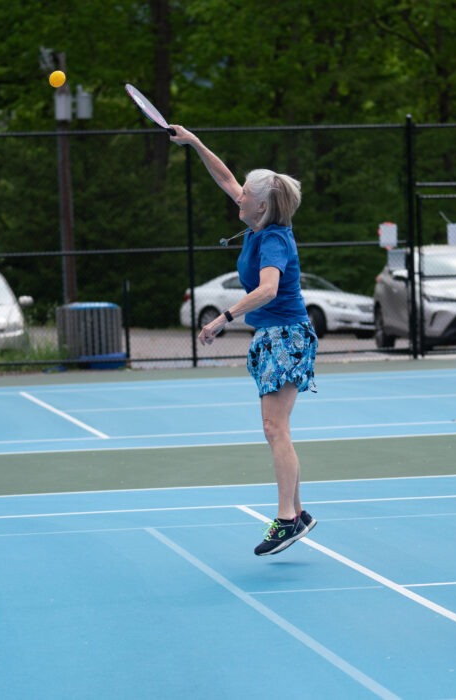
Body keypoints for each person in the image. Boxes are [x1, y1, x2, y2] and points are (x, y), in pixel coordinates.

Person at [169, 124, 318, 556]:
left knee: (275, 428)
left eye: (246, 195)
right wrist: (195, 143)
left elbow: (269, 289)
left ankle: (287, 519)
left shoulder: (273, 238)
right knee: (277, 429)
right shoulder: (257, 223)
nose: (239, 197)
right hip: (274, 336)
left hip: (286, 336)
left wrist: (224, 318)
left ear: (263, 204)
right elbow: (226, 179)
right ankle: (299, 513)